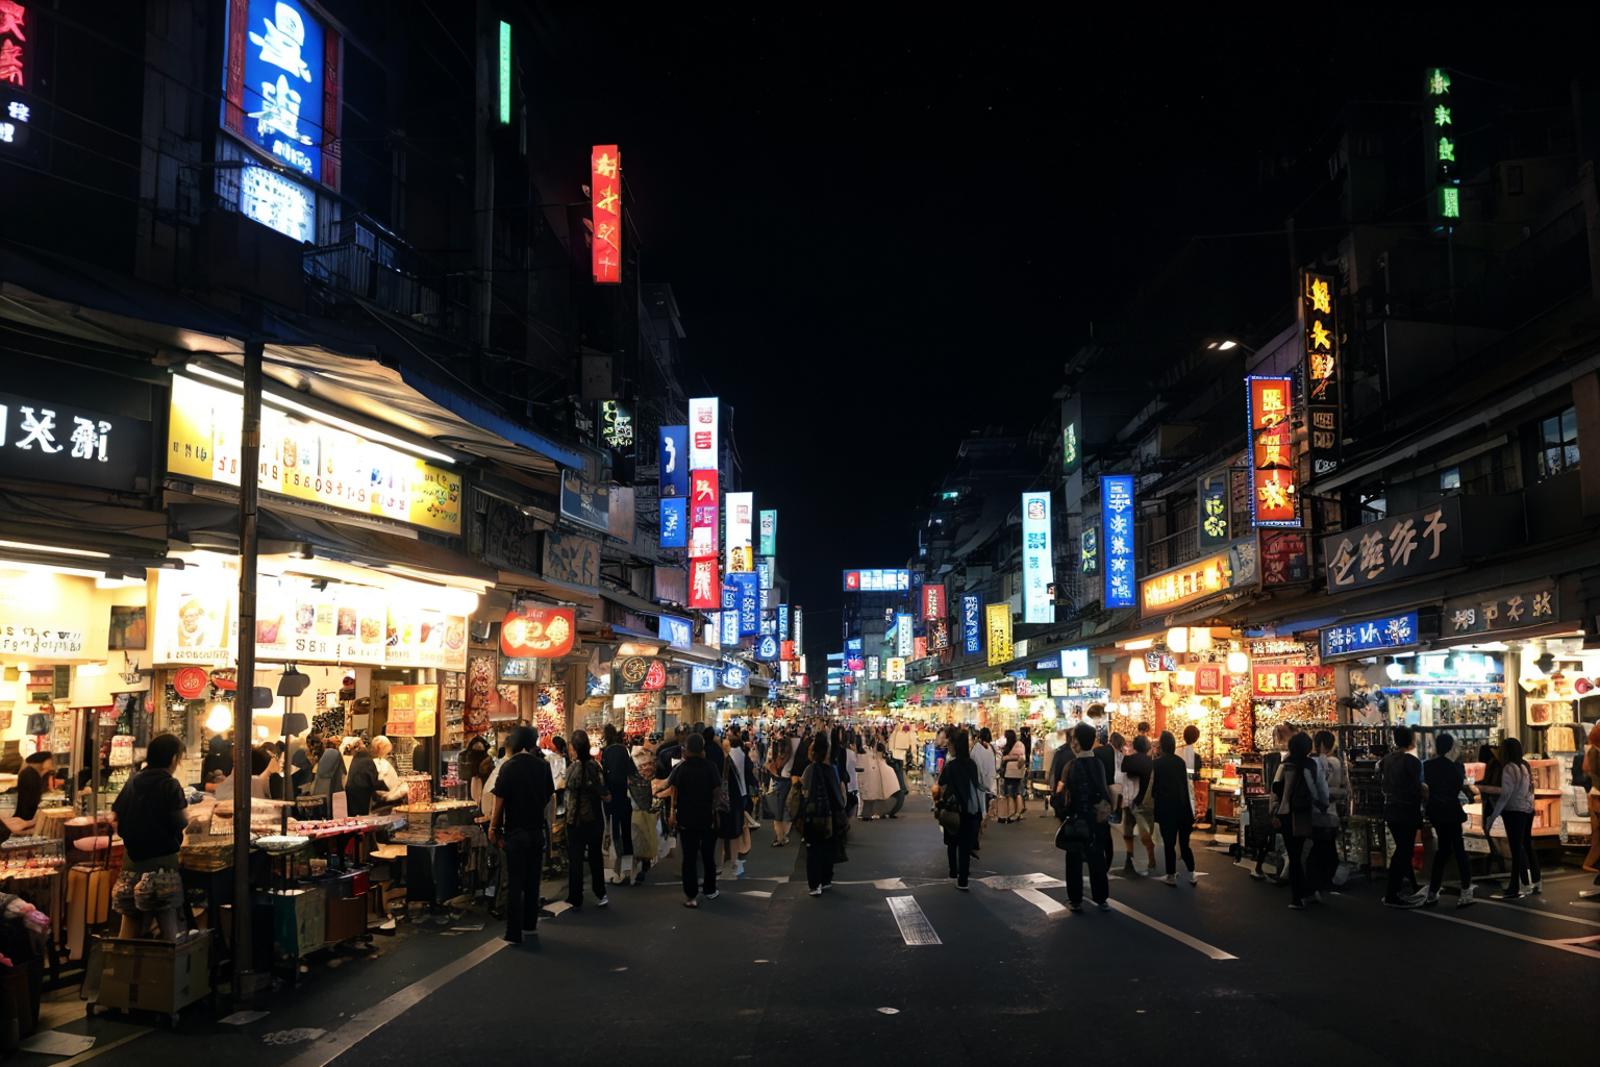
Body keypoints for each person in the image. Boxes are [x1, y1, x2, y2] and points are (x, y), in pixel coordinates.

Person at [110, 734, 189, 939]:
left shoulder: (133, 782)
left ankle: (124, 968)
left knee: (130, 922)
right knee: (168, 923)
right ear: (173, 759)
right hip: (162, 865)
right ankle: (172, 970)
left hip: (131, 863)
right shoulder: (169, 785)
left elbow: (115, 816)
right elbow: (180, 821)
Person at [488, 726, 554, 943]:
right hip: (536, 831)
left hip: (515, 832)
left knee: (515, 883)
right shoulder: (543, 766)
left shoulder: (508, 767)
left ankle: (513, 932)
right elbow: (547, 796)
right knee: (533, 880)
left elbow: (500, 801)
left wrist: (493, 828)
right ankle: (530, 923)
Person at [1273, 731, 1328, 910]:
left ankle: (1297, 896)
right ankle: (1308, 891)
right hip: (1305, 813)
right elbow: (1319, 788)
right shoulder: (1311, 764)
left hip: (1286, 813)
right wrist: (1323, 804)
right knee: (1309, 852)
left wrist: (1274, 811)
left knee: (1294, 855)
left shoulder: (1284, 765)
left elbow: (1275, 789)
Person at [667, 731, 721, 908]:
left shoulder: (681, 769)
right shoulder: (710, 767)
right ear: (702, 749)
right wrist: (715, 810)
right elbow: (717, 793)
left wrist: (672, 813)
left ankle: (691, 896)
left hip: (686, 819)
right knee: (708, 856)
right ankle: (710, 889)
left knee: (689, 858)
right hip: (706, 818)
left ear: (687, 749)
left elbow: (673, 791)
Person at [1060, 723, 1111, 913]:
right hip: (1097, 818)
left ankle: (1075, 899)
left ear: (1077, 742)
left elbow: (1068, 796)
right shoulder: (1098, 763)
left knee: (1073, 859)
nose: (1072, 742)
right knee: (1097, 857)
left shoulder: (1072, 765)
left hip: (1077, 818)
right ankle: (1101, 897)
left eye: (1074, 738)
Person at [1423, 732, 1477, 908]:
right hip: (1452, 811)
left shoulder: (1428, 766)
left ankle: (1433, 890)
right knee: (1459, 849)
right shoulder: (1456, 767)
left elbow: (1425, 788)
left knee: (1443, 850)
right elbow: (1458, 787)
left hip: (1436, 811)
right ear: (1451, 747)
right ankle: (1466, 890)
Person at [1378, 725, 1427, 908]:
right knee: (1404, 851)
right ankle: (1392, 893)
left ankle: (1411, 886)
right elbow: (1418, 786)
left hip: (1390, 809)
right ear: (1412, 740)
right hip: (1407, 810)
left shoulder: (1387, 760)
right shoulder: (1412, 762)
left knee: (1403, 848)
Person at [564, 730, 610, 910]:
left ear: (574, 749)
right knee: (595, 856)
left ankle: (575, 897)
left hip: (575, 819)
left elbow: (566, 787)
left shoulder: (572, 769)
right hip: (594, 818)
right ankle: (600, 893)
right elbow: (603, 790)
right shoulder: (595, 766)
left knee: (575, 859)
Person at [1490, 737, 1541, 899]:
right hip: (1527, 809)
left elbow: (1506, 795)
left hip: (1513, 811)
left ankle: (1516, 885)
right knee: (1526, 845)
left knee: (1516, 848)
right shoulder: (1524, 765)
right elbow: (1530, 790)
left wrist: (1493, 816)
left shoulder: (1509, 768)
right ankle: (1535, 882)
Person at [934, 729, 984, 890]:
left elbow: (941, 785)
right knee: (964, 845)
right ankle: (963, 879)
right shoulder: (971, 765)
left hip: (953, 808)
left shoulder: (951, 766)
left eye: (950, 744)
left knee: (952, 842)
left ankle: (953, 873)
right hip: (970, 810)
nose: (948, 746)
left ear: (955, 746)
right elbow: (976, 786)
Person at [798, 733, 846, 896]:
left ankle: (815, 884)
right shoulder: (831, 770)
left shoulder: (809, 770)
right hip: (830, 816)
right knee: (828, 847)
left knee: (813, 851)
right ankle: (826, 880)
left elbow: (803, 792)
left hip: (813, 815)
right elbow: (838, 796)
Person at [1152, 731, 1197, 886]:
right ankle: (1192, 873)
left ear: (1162, 746)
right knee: (1185, 844)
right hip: (1183, 807)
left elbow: (1154, 787)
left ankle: (1171, 875)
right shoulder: (1180, 762)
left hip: (1166, 809)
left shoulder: (1157, 764)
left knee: (1169, 844)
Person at [1310, 730, 1346, 896]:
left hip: (1319, 810)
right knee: (1327, 847)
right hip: (1329, 811)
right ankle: (1324, 880)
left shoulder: (1322, 762)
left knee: (1321, 847)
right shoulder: (1335, 762)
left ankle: (1321, 881)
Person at [600, 725, 635, 886]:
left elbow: (604, 776)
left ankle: (617, 871)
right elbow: (632, 772)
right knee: (626, 832)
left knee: (615, 834)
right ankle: (628, 872)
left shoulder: (607, 752)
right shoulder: (623, 750)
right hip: (625, 797)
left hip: (612, 798)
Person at [719, 730, 753, 878]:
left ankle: (724, 862)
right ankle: (733, 861)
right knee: (734, 831)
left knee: (726, 833)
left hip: (729, 799)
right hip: (738, 797)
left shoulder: (728, 759)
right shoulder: (739, 755)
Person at [1122, 734, 1157, 875]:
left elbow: (1124, 768)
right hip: (1146, 801)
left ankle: (1129, 857)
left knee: (1129, 831)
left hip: (1131, 800)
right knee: (1145, 832)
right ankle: (1150, 858)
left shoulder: (1130, 760)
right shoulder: (1151, 762)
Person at [4, 751, 55, 836]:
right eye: (50, 760)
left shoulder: (31, 772)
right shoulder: (30, 773)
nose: (51, 763)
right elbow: (30, 799)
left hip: (25, 815)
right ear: (42, 760)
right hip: (25, 815)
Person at [368, 736, 410, 810]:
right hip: (387, 803)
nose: (391, 756)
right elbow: (383, 788)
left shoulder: (376, 763)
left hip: (383, 802)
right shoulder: (381, 764)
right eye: (388, 753)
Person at [766, 734, 793, 846]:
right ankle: (783, 836)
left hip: (778, 782)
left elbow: (768, 766)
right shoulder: (791, 755)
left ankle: (780, 837)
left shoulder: (777, 756)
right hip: (787, 782)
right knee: (785, 810)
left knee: (777, 812)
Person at [344, 739, 381, 817]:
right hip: (362, 792)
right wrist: (376, 796)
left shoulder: (355, 759)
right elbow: (373, 778)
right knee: (362, 816)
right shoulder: (368, 760)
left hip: (350, 791)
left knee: (352, 816)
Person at [1582, 724, 1600, 876]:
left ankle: (1590, 863)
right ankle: (1590, 863)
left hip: (1595, 795)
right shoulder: (1595, 752)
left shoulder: (1592, 751)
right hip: (1597, 796)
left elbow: (1586, 770)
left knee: (1597, 836)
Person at [998, 728, 1026, 823]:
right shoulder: (1020, 744)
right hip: (1019, 772)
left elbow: (1006, 757)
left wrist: (1006, 758)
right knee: (1018, 793)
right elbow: (1021, 756)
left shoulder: (1008, 746)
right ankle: (1019, 813)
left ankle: (1011, 812)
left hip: (1010, 772)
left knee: (1010, 793)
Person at [972, 727, 998, 821]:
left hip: (982, 780)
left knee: (982, 803)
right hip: (990, 778)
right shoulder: (991, 747)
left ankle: (984, 819)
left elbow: (977, 764)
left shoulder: (977, 748)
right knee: (988, 799)